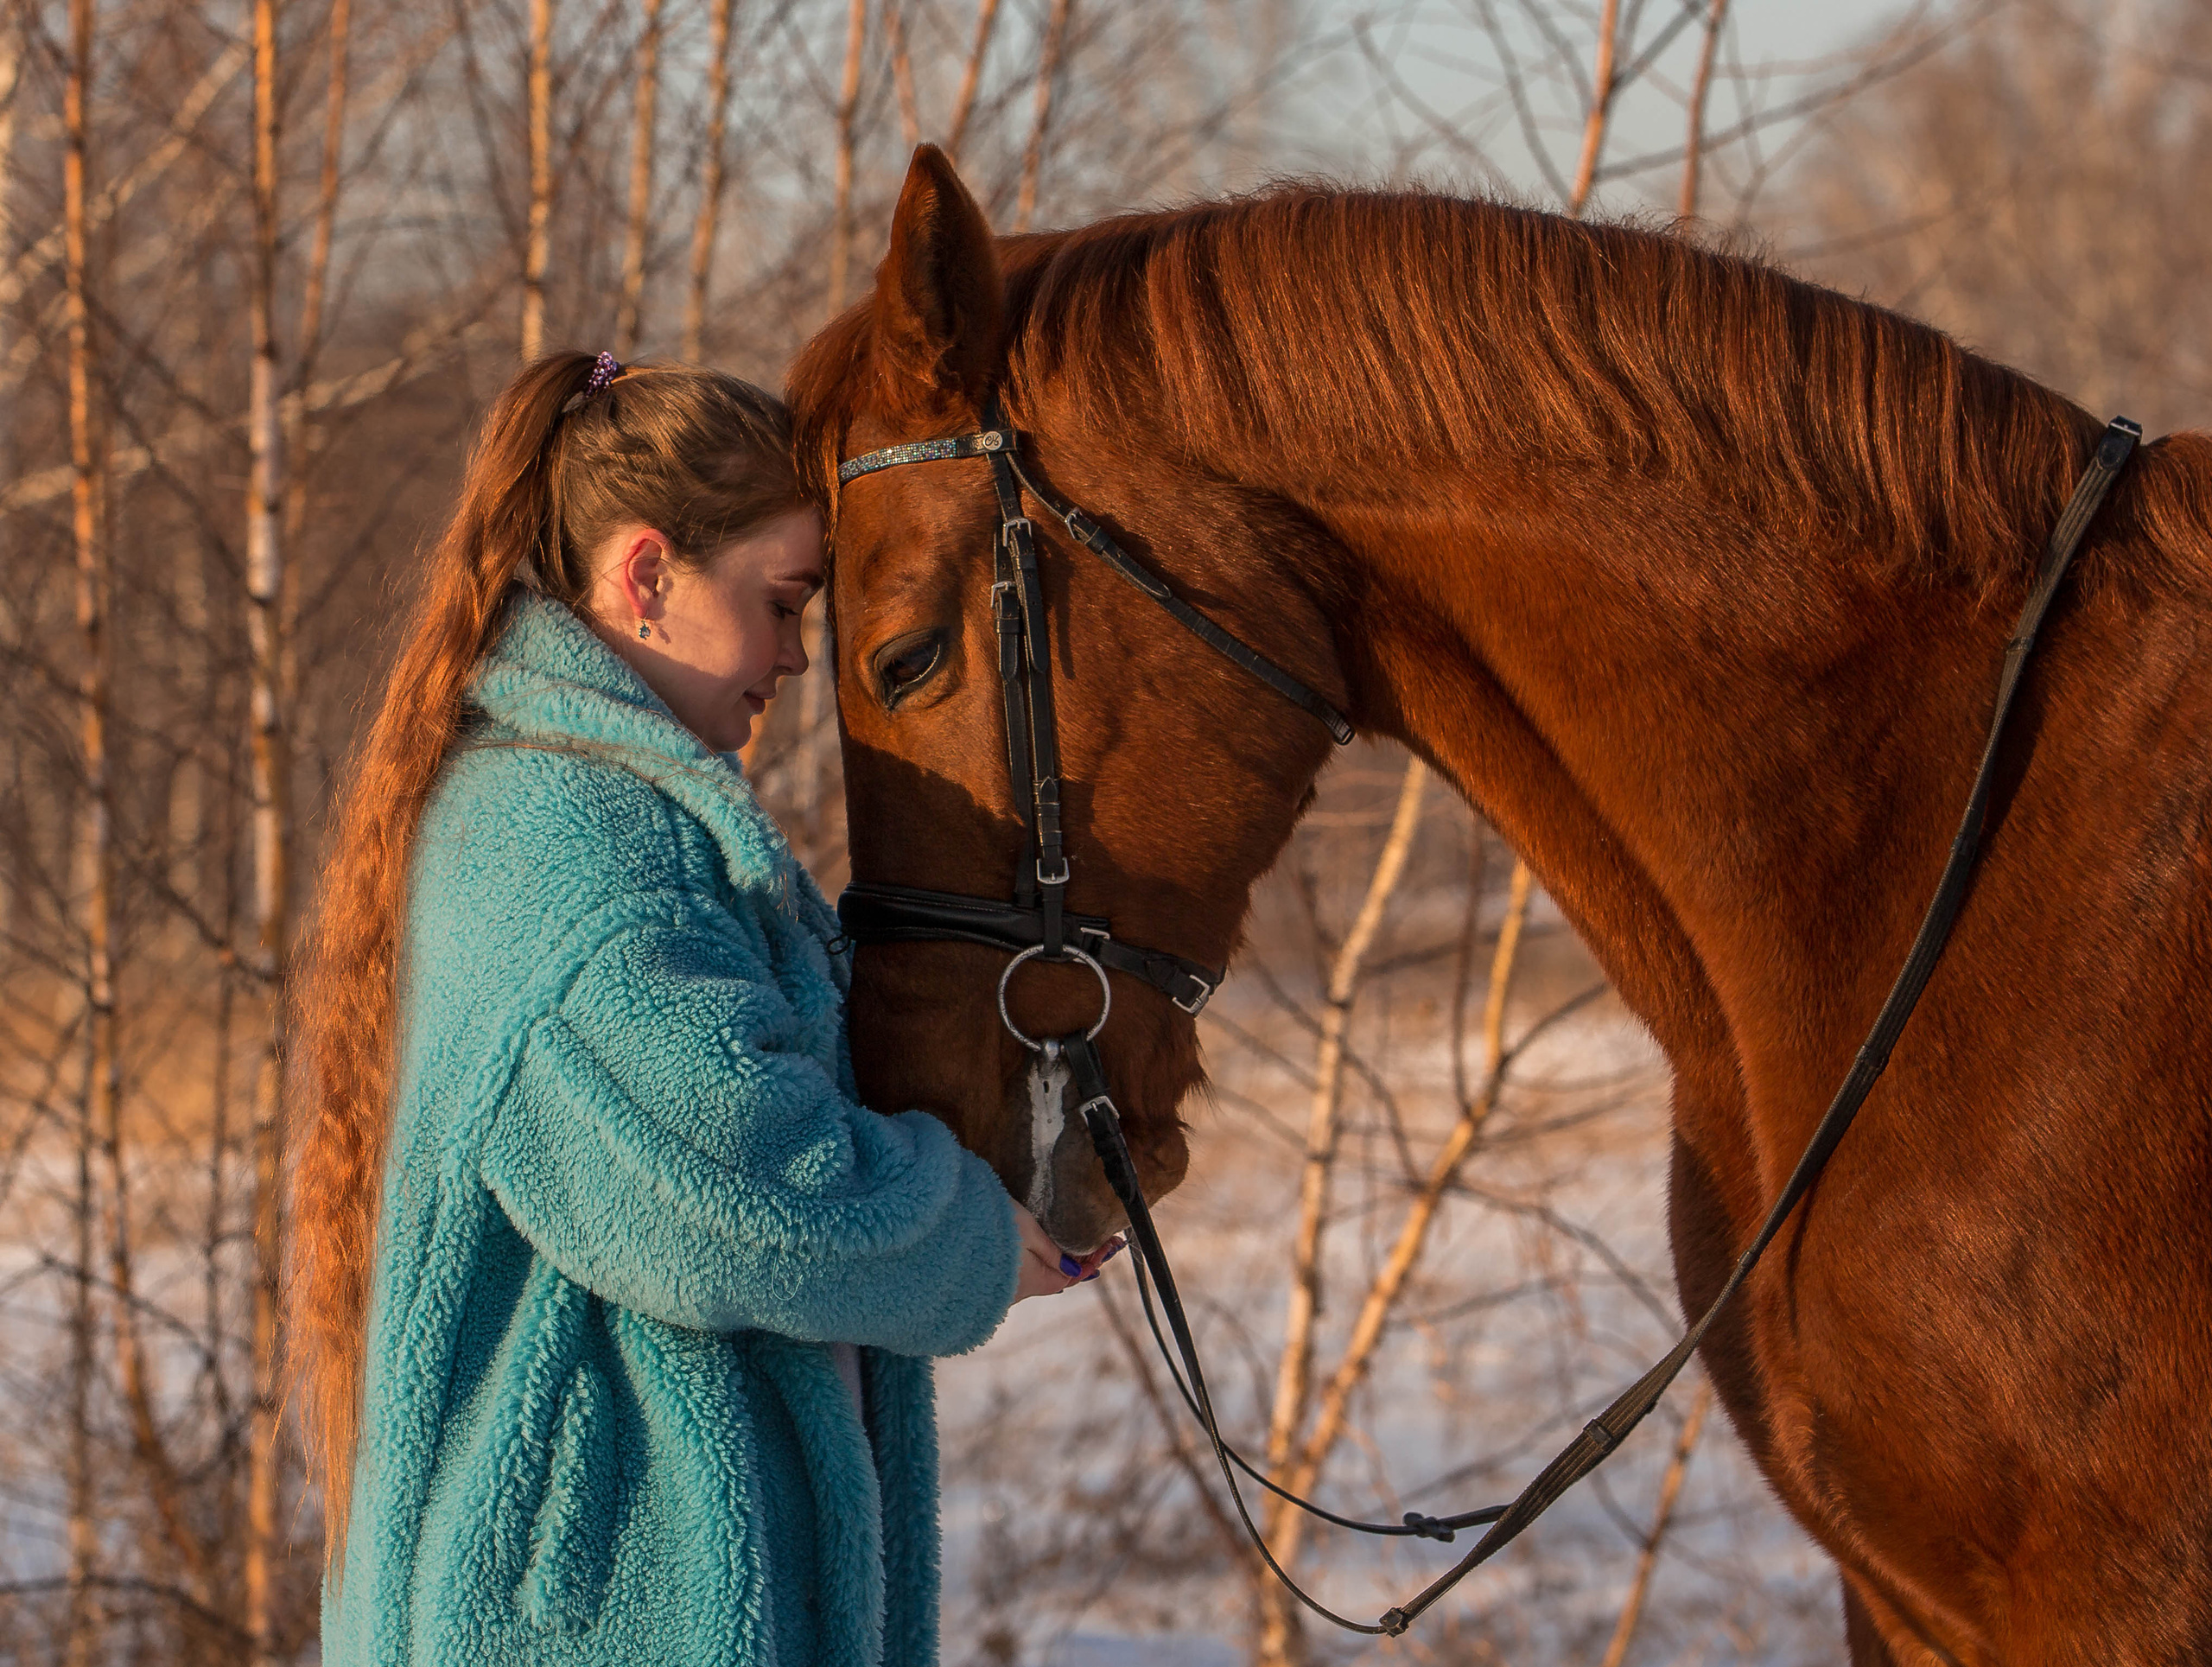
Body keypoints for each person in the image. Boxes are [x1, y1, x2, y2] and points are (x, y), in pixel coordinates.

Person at [288, 350, 1108, 1667]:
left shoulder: (613, 812)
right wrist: (967, 1235)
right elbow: (733, 1186)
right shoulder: (571, 843)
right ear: (647, 576)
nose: (795, 656)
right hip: (590, 1619)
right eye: (782, 603)